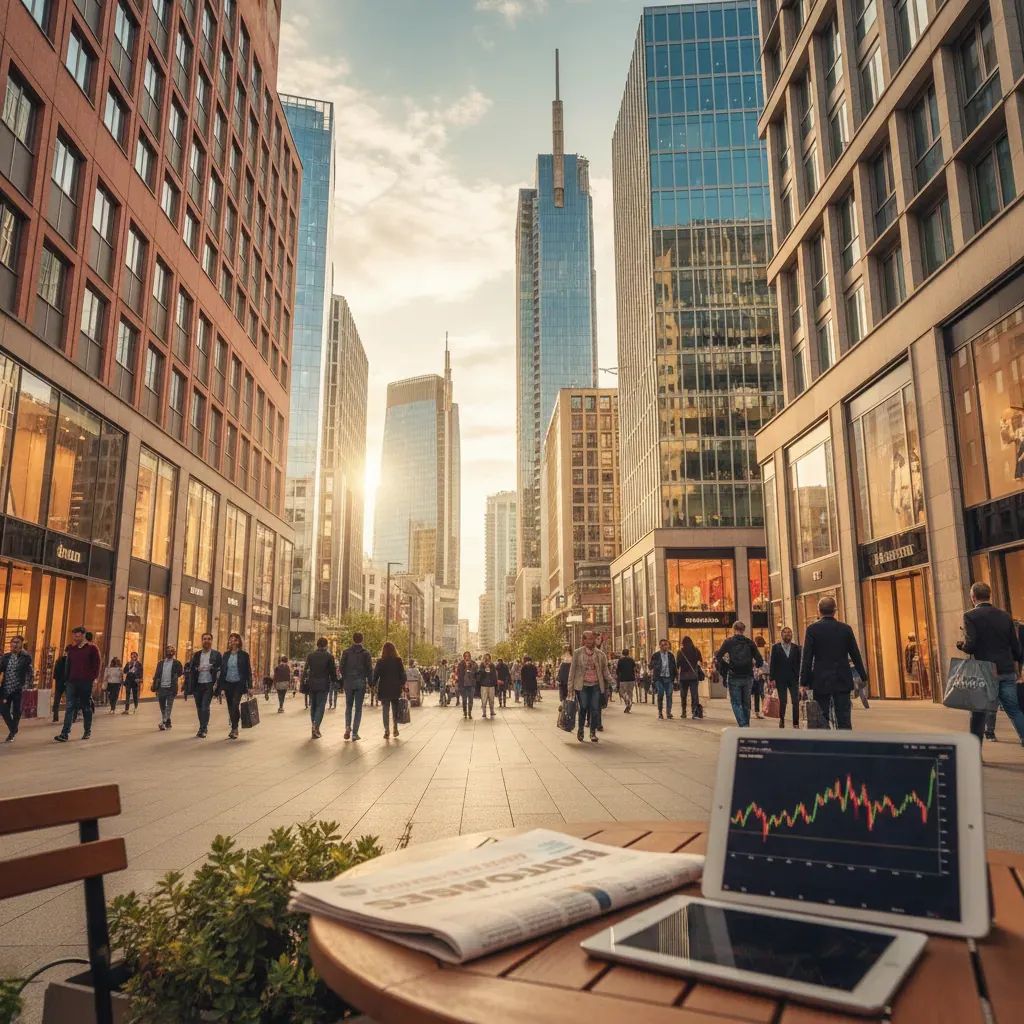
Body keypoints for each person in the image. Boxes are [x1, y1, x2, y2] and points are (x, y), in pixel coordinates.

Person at [958, 581, 1024, 746]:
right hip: (1006, 669)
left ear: (973, 597)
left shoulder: (969, 616)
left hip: (984, 671)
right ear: (990, 595)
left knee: (979, 712)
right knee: (1014, 710)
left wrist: (961, 645)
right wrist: (1018, 665)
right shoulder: (1005, 615)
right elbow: (1015, 645)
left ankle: (975, 751)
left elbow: (970, 645)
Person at [799, 597, 867, 731]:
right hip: (842, 678)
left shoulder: (812, 630)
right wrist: (863, 676)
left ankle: (825, 745)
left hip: (821, 680)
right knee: (844, 718)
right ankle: (845, 745)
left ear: (819, 611)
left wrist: (803, 682)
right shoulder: (845, 629)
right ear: (835, 610)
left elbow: (806, 658)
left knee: (822, 716)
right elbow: (855, 654)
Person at [54, 626, 100, 743]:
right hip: (71, 682)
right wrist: (66, 679)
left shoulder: (92, 649)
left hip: (85, 682)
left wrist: (93, 679)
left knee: (85, 707)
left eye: (77, 635)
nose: (75, 637)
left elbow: (96, 666)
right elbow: (68, 665)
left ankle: (87, 731)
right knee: (69, 707)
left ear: (84, 635)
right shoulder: (71, 649)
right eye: (74, 635)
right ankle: (64, 734)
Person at [568, 630, 614, 743]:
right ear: (583, 640)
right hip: (582, 685)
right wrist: (570, 687)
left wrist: (612, 681)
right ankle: (581, 730)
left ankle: (592, 732)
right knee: (583, 708)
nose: (590, 641)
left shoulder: (600, 654)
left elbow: (605, 671)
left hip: (596, 685)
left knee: (595, 709)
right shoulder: (577, 653)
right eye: (587, 639)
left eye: (592, 639)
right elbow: (572, 671)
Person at [716, 621, 764, 728]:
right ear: (744, 630)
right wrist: (753, 665)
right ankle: (746, 725)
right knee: (746, 703)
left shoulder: (728, 642)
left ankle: (743, 725)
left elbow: (718, 657)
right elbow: (759, 660)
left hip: (734, 676)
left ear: (734, 629)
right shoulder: (750, 642)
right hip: (748, 676)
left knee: (736, 703)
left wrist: (726, 665)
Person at [215, 632, 253, 740]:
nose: (232, 641)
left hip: (239, 684)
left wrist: (250, 686)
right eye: (230, 639)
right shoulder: (226, 655)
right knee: (230, 706)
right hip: (227, 684)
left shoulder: (244, 655)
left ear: (239, 641)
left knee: (235, 705)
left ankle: (235, 728)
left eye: (235, 639)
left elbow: (248, 671)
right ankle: (234, 725)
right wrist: (220, 688)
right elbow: (223, 671)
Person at [339, 631, 373, 741]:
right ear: (362, 640)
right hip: (360, 683)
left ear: (353, 639)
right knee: (358, 708)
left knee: (348, 706)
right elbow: (369, 669)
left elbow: (341, 667)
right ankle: (355, 733)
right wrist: (371, 682)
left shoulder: (346, 652)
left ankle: (347, 727)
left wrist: (345, 677)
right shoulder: (366, 653)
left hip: (348, 682)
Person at [187, 633, 222, 738]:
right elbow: (191, 668)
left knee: (205, 707)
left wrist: (213, 668)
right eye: (204, 639)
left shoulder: (216, 654)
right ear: (202, 641)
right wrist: (197, 669)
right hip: (198, 684)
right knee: (199, 707)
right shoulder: (197, 655)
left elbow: (221, 669)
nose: (206, 641)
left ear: (212, 641)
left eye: (209, 639)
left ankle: (203, 728)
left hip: (209, 684)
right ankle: (202, 726)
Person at [303, 637, 337, 740]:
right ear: (326, 645)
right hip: (323, 684)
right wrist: (335, 681)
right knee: (320, 706)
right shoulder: (329, 656)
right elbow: (332, 672)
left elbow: (306, 670)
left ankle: (314, 725)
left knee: (313, 706)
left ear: (317, 645)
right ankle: (316, 726)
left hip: (312, 684)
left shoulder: (311, 656)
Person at [768, 627, 802, 730]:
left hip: (793, 678)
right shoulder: (776, 647)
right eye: (786, 633)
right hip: (780, 679)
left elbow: (800, 663)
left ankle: (796, 722)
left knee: (795, 701)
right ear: (781, 635)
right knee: (783, 701)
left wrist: (801, 677)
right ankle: (781, 720)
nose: (788, 634)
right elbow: (772, 664)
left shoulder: (797, 648)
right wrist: (772, 678)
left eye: (790, 633)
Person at [1, 635, 33, 742]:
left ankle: (11, 733)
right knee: (3, 710)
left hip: (18, 689)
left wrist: (27, 685)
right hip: (6, 688)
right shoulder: (5, 657)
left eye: (17, 642)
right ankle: (13, 729)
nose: (14, 644)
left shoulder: (26, 657)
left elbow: (29, 672)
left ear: (21, 645)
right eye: (13, 642)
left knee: (16, 711)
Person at [373, 641, 406, 739]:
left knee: (385, 710)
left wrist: (372, 684)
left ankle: (386, 730)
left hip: (384, 688)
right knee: (395, 709)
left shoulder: (380, 661)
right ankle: (395, 728)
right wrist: (401, 684)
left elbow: (376, 675)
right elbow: (403, 675)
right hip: (395, 688)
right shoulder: (398, 660)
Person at [152, 645, 183, 731]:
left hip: (171, 688)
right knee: (162, 706)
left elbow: (180, 672)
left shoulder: (177, 663)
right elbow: (156, 675)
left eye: (172, 651)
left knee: (169, 705)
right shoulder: (160, 663)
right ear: (165, 652)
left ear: (174, 653)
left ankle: (164, 722)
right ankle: (167, 720)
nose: (170, 652)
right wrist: (155, 686)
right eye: (168, 650)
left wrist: (175, 676)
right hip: (161, 687)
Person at [649, 638, 678, 720]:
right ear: (660, 646)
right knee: (660, 694)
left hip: (669, 678)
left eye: (666, 644)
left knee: (669, 695)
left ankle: (668, 713)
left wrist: (676, 678)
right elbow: (650, 666)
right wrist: (654, 664)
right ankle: (660, 713)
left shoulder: (671, 655)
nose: (664, 646)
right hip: (659, 679)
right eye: (662, 645)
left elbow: (674, 667)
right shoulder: (656, 655)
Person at [677, 636, 703, 719]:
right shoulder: (696, 650)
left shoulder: (680, 652)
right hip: (693, 676)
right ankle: (694, 712)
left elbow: (677, 665)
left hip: (683, 677)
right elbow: (700, 661)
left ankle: (684, 712)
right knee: (694, 695)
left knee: (683, 695)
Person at [456, 650, 477, 719]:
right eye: (466, 656)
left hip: (471, 685)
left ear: (470, 657)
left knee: (471, 700)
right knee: (464, 700)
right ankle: (465, 712)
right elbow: (459, 674)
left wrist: (470, 666)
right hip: (463, 685)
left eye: (468, 656)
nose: (467, 657)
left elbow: (476, 671)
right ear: (464, 657)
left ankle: (470, 712)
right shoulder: (461, 664)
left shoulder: (473, 663)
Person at [751, 635, 768, 719]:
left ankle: (757, 712)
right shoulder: (764, 651)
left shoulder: (755, 651)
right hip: (761, 675)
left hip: (756, 675)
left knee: (757, 694)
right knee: (761, 694)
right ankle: (763, 710)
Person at [477, 654, 498, 720]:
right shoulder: (481, 665)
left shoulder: (492, 665)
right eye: (486, 658)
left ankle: (492, 711)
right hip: (484, 685)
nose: (487, 659)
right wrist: (485, 669)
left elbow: (494, 675)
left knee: (491, 699)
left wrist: (495, 683)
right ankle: (484, 712)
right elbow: (480, 674)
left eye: (488, 658)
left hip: (491, 685)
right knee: (484, 700)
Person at [616, 647, 636, 713]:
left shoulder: (620, 660)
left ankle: (627, 701)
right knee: (630, 693)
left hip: (623, 679)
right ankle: (629, 706)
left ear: (622, 653)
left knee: (622, 692)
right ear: (628, 653)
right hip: (631, 679)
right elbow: (634, 668)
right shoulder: (631, 660)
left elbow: (618, 670)